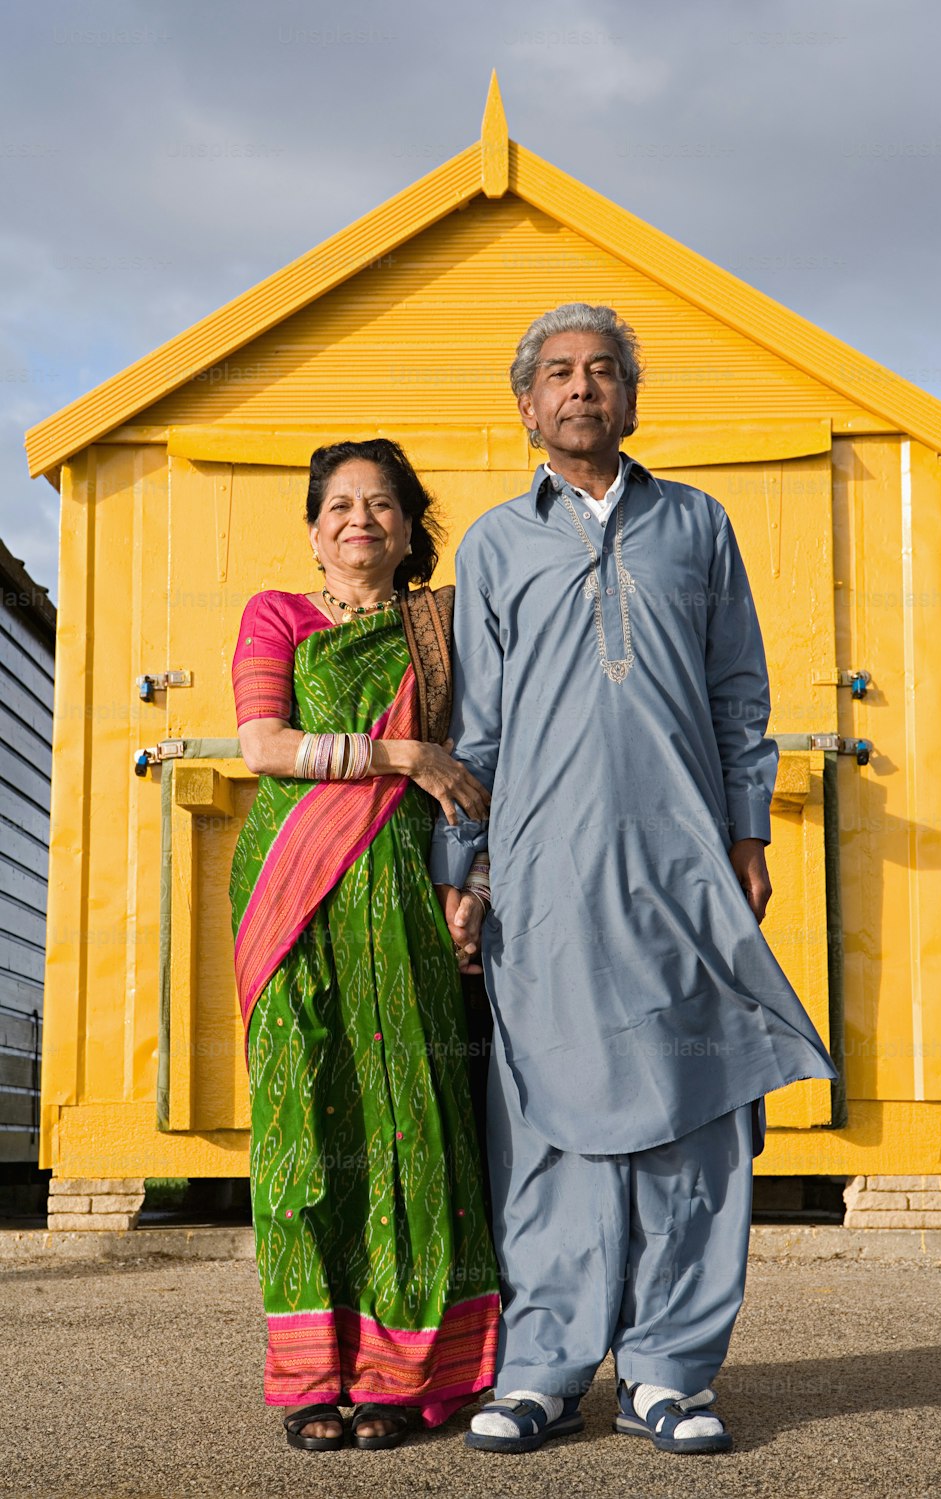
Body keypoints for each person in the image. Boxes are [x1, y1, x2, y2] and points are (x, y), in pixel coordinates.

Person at [431, 304, 837, 1456]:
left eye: (602, 371)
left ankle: (670, 1368)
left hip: (679, 862)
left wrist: (746, 836)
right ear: (525, 404)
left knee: (691, 1109)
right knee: (547, 1115)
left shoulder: (697, 525)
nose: (580, 388)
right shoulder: (497, 543)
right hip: (547, 867)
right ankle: (545, 1367)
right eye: (557, 373)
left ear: (629, 398)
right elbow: (482, 724)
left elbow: (738, 694)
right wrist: (466, 869)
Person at [229, 438, 499, 1453]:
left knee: (411, 1119)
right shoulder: (277, 614)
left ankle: (398, 1373)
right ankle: (310, 1378)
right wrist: (400, 752)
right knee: (302, 1113)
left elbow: (478, 766)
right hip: (289, 890)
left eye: (381, 505)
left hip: (401, 889)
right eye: (339, 505)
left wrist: (467, 884)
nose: (359, 520)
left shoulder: (440, 630)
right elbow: (264, 747)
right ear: (312, 529)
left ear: (408, 525)